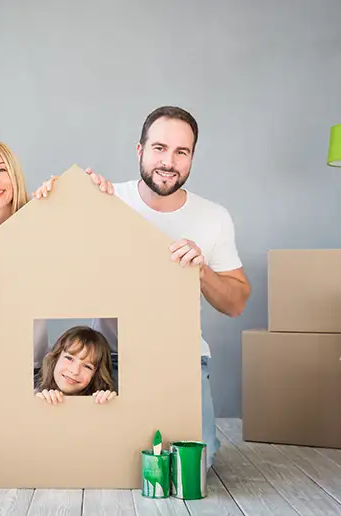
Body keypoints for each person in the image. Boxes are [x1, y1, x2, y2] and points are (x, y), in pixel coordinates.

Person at [33, 105, 251, 468]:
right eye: (159, 148)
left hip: (180, 359)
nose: (169, 161)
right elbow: (43, 248)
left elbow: (236, 303)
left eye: (182, 152)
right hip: (109, 360)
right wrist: (51, 196)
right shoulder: (106, 197)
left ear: (193, 157)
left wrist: (201, 272)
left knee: (195, 463)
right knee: (96, 460)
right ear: (140, 151)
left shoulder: (213, 217)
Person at [0, 135, 112, 445]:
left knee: (28, 458)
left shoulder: (37, 219)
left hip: (30, 372)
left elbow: (90, 236)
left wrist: (75, 195)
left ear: (13, 175)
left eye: (1, 170)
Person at [35, 325, 117, 405]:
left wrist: (109, 402)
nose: (75, 371)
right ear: (55, 358)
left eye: (87, 366)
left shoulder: (101, 398)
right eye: (69, 358)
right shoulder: (34, 390)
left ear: (96, 375)